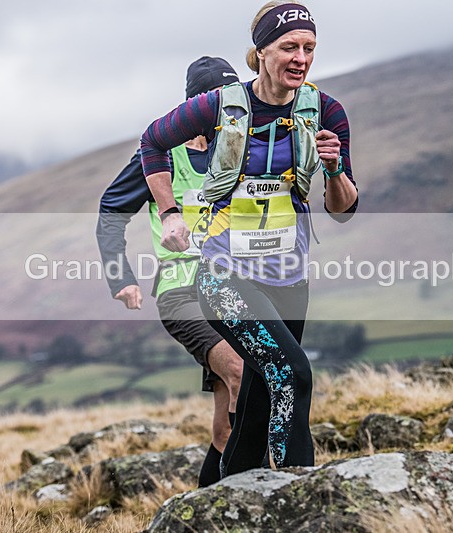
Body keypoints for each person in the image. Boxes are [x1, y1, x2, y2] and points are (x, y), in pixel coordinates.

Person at [140, 1, 358, 477]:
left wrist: (336, 168)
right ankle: (301, 494)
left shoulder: (325, 111)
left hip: (288, 277)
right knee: (294, 374)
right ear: (261, 52)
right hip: (224, 274)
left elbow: (342, 209)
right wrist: (171, 213)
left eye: (309, 48)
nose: (300, 58)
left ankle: (223, 503)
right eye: (289, 47)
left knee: (257, 402)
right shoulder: (217, 106)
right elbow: (152, 142)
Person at [96, 57, 245, 486]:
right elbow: (111, 211)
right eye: (219, 100)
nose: (229, 109)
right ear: (196, 103)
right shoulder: (160, 157)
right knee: (239, 370)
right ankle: (253, 490)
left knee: (225, 424)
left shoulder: (238, 150)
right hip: (183, 293)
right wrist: (120, 277)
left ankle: (205, 510)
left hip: (237, 291)